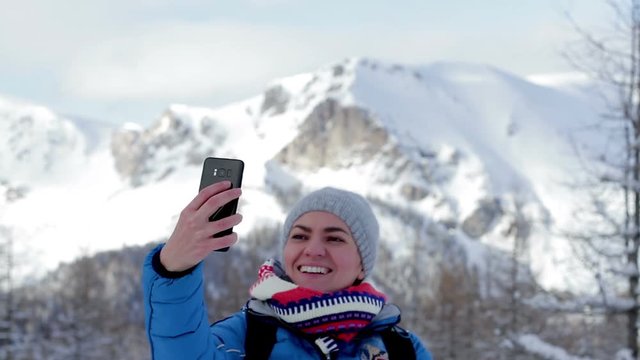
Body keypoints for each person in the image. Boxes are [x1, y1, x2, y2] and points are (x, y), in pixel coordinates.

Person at [142, 181, 433, 359]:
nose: (314, 249)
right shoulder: (247, 337)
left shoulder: (400, 349)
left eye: (334, 238)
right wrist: (173, 270)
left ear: (362, 263)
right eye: (300, 236)